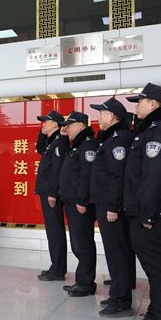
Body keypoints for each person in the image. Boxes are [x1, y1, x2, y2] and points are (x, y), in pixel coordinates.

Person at [124, 83, 161, 320]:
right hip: (149, 212)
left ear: (153, 104)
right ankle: (156, 315)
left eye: (140, 101)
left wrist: (147, 214)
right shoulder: (151, 130)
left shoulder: (158, 132)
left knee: (159, 271)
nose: (136, 106)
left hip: (154, 215)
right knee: (155, 270)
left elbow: (154, 177)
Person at [89, 98, 135, 317]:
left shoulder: (118, 140)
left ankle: (121, 299)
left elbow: (118, 177)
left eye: (101, 114)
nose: (98, 118)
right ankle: (118, 292)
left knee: (117, 252)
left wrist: (112, 206)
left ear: (112, 116)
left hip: (111, 206)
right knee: (115, 252)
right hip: (107, 203)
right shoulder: (110, 138)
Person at [58, 111, 98, 296]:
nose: (66, 128)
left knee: (82, 243)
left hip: (79, 204)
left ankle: (86, 284)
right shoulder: (77, 144)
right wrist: (64, 137)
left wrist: (82, 200)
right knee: (78, 243)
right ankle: (81, 280)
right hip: (72, 202)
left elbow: (86, 175)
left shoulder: (88, 144)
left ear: (80, 125)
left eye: (70, 125)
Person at [35, 110, 70, 281]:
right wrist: (41, 133)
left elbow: (57, 170)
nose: (43, 124)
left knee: (55, 231)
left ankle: (58, 270)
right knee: (52, 231)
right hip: (48, 193)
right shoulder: (53, 142)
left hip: (51, 194)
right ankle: (55, 266)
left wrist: (53, 193)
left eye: (45, 122)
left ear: (55, 124)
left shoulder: (59, 142)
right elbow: (39, 148)